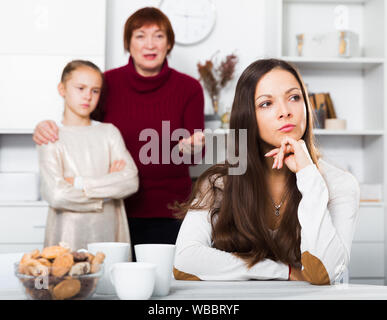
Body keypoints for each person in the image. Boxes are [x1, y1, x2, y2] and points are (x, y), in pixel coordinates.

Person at [33, 7, 205, 259]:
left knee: (165, 285)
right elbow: (83, 126)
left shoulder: (189, 88)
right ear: (128, 43)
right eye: (140, 36)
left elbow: (192, 156)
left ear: (169, 44)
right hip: (113, 208)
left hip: (171, 212)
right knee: (109, 285)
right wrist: (46, 126)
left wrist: (192, 149)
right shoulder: (106, 83)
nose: (150, 44)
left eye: (158, 36)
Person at [173, 58, 360, 285]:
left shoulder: (340, 183)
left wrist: (308, 175)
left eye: (294, 97)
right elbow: (184, 261)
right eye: (266, 103)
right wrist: (286, 272)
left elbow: (324, 274)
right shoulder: (219, 182)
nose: (284, 112)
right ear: (247, 115)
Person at [38, 60, 139, 252]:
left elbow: (130, 181)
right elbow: (57, 195)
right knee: (65, 279)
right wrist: (107, 194)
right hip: (66, 234)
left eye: (95, 90)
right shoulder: (50, 135)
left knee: (111, 277)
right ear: (62, 89)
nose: (88, 96)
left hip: (109, 232)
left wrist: (77, 183)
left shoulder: (109, 132)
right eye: (81, 88)